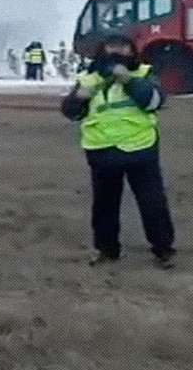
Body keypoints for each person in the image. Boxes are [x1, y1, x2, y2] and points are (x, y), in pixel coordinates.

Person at [60, 31, 176, 268]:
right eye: (112, 46)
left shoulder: (144, 73)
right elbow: (71, 112)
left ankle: (163, 250)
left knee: (152, 203)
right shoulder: (87, 78)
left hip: (140, 148)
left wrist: (128, 80)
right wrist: (78, 98)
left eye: (123, 47)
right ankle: (107, 250)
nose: (117, 52)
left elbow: (155, 101)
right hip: (101, 151)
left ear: (132, 51)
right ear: (102, 50)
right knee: (104, 206)